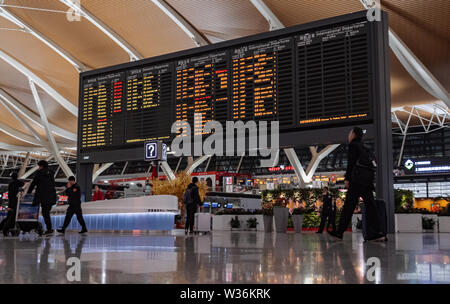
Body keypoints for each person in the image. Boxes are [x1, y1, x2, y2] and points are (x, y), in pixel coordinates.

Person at [328, 127, 386, 242]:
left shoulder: (353, 145)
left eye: (350, 133)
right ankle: (378, 233)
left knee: (349, 207)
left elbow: (351, 163)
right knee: (371, 207)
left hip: (356, 181)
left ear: (354, 134)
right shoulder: (364, 148)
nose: (348, 135)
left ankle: (339, 232)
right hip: (367, 181)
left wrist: (347, 178)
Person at [27, 160, 57, 235]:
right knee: (46, 212)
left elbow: (34, 183)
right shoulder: (51, 173)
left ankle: (49, 229)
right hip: (51, 196)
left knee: (45, 212)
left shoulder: (39, 173)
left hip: (42, 196)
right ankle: (49, 228)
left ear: (42, 166)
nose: (38, 167)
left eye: (39, 166)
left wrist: (28, 192)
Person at [2, 172, 24, 236]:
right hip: (18, 202)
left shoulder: (11, 184)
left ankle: (5, 227)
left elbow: (9, 195)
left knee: (9, 215)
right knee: (13, 215)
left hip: (11, 202)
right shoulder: (20, 183)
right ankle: (8, 227)